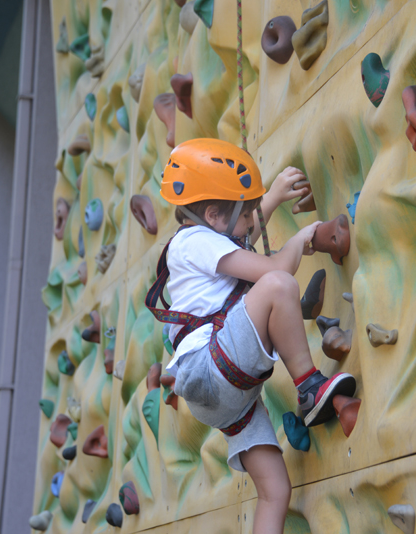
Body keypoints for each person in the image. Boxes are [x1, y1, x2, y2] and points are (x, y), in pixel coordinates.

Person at [145, 138, 356, 534]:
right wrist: (302, 238)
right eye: (246, 213)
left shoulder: (201, 240)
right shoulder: (195, 242)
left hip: (220, 398)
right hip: (212, 367)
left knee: (275, 491)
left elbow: (240, 239)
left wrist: (271, 197)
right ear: (212, 215)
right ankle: (309, 387)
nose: (250, 221)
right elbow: (274, 268)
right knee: (278, 285)